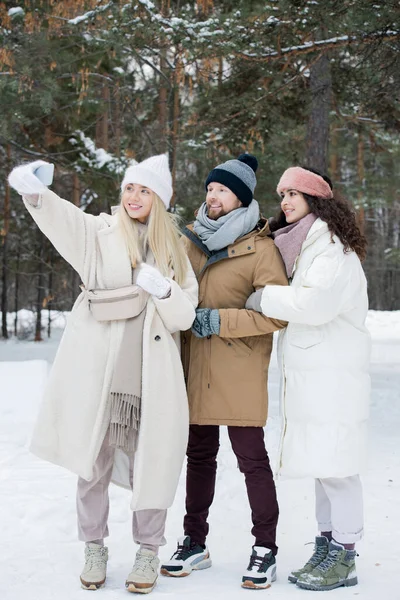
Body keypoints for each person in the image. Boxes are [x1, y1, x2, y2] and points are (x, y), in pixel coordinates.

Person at [8, 155, 198, 594]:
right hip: (97, 366)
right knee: (92, 461)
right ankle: (94, 546)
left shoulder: (175, 249)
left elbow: (186, 313)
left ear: (159, 199)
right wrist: (34, 191)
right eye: (129, 188)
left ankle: (148, 550)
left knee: (151, 462)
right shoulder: (100, 232)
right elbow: (63, 220)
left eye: (144, 190)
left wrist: (165, 291)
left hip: (151, 371)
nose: (134, 197)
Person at [159, 153, 288, 589]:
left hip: (238, 371)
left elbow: (277, 315)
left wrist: (220, 320)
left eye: (222, 190)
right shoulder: (189, 240)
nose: (212, 196)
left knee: (252, 460)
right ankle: (195, 542)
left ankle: (265, 548)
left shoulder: (262, 249)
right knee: (198, 457)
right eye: (210, 189)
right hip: (193, 368)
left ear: (241, 199)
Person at [245, 166, 370, 591]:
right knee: (324, 464)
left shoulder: (331, 248)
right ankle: (327, 544)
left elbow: (314, 305)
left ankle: (346, 555)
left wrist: (266, 298)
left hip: (333, 375)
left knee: (337, 467)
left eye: (294, 193)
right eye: (282, 193)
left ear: (316, 199)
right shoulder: (305, 243)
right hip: (317, 375)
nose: (285, 201)